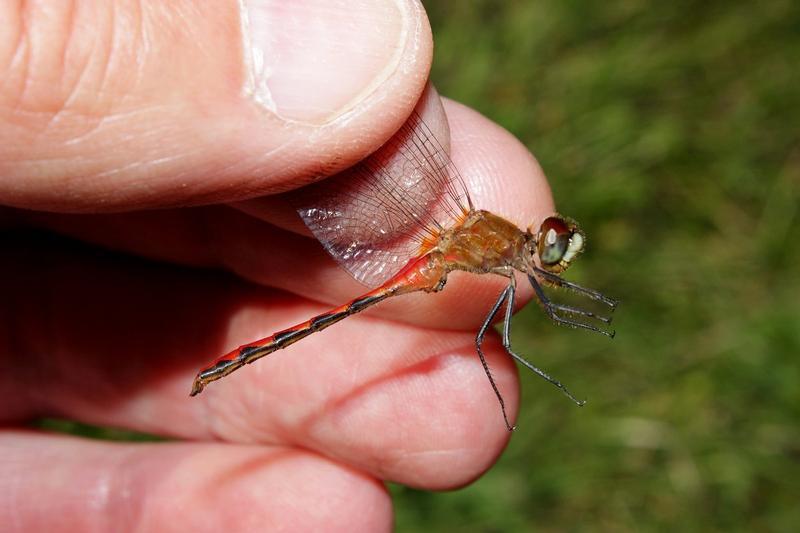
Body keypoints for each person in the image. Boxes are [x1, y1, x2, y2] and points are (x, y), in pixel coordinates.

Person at [0, 2, 556, 530]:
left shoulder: (503, 246)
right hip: (424, 241)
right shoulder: (501, 246)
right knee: (484, 341)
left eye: (551, 250)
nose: (548, 256)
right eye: (550, 249)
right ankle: (224, 365)